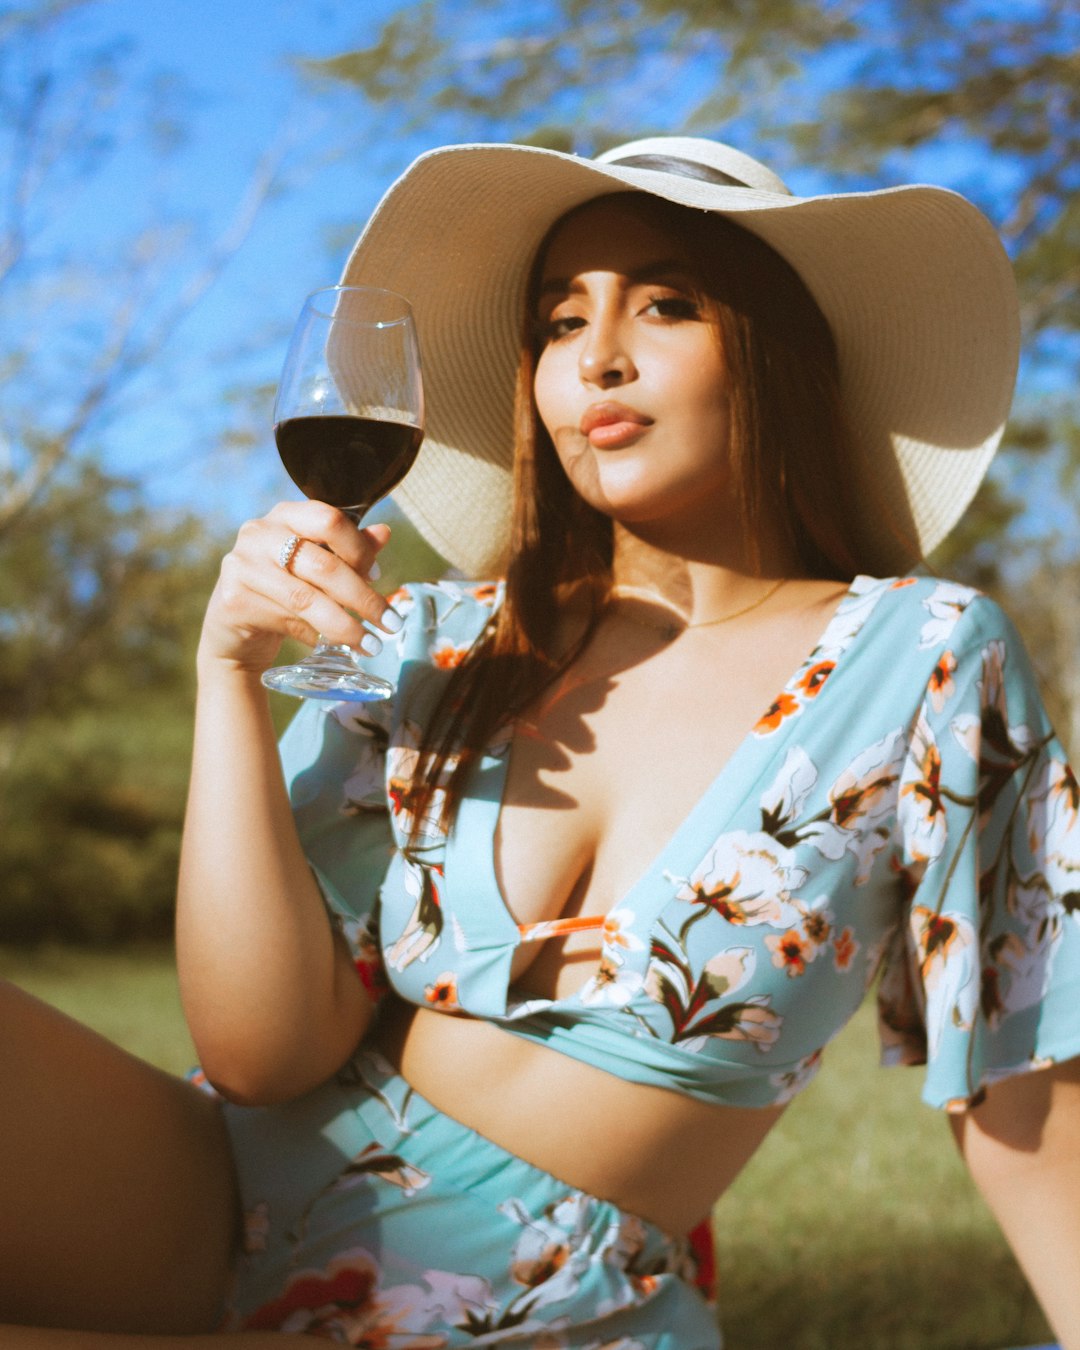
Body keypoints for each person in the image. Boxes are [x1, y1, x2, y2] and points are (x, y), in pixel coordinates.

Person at [2, 136, 1079, 1349]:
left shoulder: (925, 656)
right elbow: (260, 1056)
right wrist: (226, 679)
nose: (597, 357)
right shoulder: (436, 644)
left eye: (666, 304)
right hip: (205, 1201)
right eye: (560, 324)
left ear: (781, 353)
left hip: (540, 1303)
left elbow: (1020, 1068)